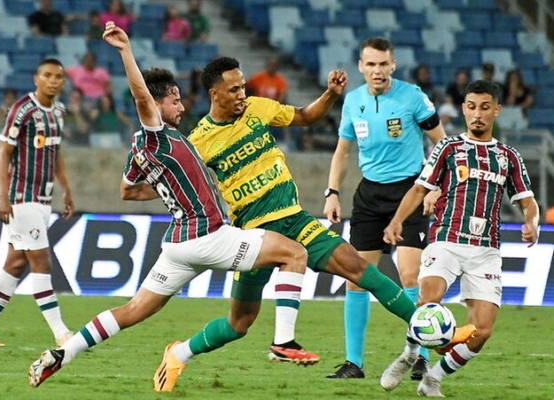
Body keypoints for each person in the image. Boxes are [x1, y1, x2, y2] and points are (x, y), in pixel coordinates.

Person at [27, 21, 311, 393]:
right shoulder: (156, 131)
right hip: (209, 236)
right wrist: (126, 50)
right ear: (159, 103)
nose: (181, 104)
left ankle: (64, 353)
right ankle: (284, 342)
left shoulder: (140, 147)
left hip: (177, 246)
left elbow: (128, 190)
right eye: (174, 99)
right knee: (294, 254)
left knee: (132, 311)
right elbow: (143, 98)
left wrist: (173, 189)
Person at [187, 56, 471, 382]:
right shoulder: (199, 141)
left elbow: (306, 116)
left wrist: (330, 95)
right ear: (214, 93)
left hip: (294, 218)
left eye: (242, 86)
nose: (241, 94)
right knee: (239, 323)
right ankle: (180, 352)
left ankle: (440, 337)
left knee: (361, 269)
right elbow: (178, 183)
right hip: (253, 233)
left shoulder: (256, 108)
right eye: (233, 89)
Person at [380, 79, 539, 397]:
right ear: (464, 109)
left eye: (484, 107)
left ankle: (433, 379)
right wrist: (397, 220)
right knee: (428, 301)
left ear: (496, 109)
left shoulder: (508, 156)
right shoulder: (449, 148)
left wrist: (531, 221)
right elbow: (420, 188)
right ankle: (410, 354)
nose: (477, 114)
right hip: (447, 239)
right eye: (471, 107)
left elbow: (527, 200)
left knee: (482, 331)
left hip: (486, 250)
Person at [323, 37, 448, 380]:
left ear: (393, 65)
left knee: (410, 275)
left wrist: (435, 186)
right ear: (361, 67)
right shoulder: (353, 102)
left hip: (409, 192)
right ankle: (354, 363)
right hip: (369, 196)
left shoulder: (412, 97)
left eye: (383, 64)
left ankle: (420, 356)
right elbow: (342, 152)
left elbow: (443, 144)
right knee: (357, 278)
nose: (377, 71)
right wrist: (332, 192)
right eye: (371, 64)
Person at [0, 58, 75, 347]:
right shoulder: (22, 110)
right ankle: (61, 333)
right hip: (22, 197)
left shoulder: (59, 112)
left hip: (44, 198)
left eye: (58, 76)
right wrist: (2, 196)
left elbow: (56, 152)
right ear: (36, 78)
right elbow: (2, 153)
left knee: (15, 264)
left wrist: (66, 188)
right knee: (42, 262)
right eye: (47, 75)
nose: (53, 80)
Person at [245, 57, 291, 145]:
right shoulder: (258, 77)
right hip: (258, 111)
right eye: (270, 65)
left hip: (272, 112)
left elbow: (282, 96)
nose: (271, 67)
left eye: (274, 66)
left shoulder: (280, 81)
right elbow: (247, 87)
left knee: (275, 132)